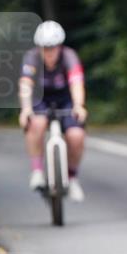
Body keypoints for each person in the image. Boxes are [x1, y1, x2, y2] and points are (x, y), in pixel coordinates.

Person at [18, 20, 88, 202]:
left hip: (65, 99)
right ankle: (37, 171)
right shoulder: (32, 57)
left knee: (76, 136)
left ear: (60, 46)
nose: (49, 52)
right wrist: (25, 109)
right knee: (37, 123)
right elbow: (25, 85)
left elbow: (77, 83)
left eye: (53, 48)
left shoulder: (69, 56)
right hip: (40, 99)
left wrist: (79, 105)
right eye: (45, 48)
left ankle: (72, 178)